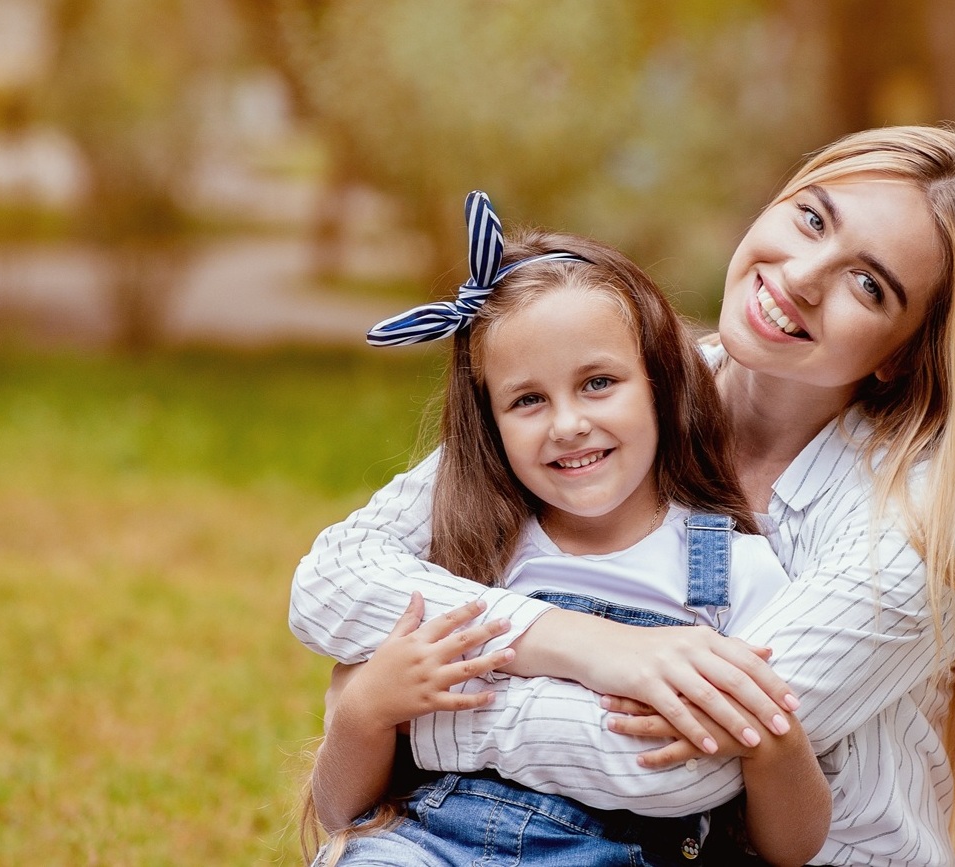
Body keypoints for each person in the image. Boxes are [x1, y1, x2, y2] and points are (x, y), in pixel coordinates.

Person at [291, 125, 955, 866]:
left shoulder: (916, 517)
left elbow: (687, 764)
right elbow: (333, 581)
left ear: (901, 356)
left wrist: (390, 707)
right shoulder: (621, 388)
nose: (803, 276)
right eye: (811, 218)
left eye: (868, 285)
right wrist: (591, 646)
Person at [302, 190, 832, 867]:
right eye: (527, 399)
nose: (567, 423)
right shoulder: (476, 557)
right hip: (433, 841)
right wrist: (365, 710)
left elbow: (792, 846)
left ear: (660, 384)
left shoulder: (728, 570)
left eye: (597, 382)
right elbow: (340, 813)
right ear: (490, 424)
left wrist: (775, 741)